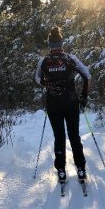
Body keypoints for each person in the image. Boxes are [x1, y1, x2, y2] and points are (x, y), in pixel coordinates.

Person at [35, 26, 91, 183]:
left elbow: (38, 79)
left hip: (53, 104)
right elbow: (87, 76)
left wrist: (48, 84)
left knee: (59, 136)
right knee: (74, 136)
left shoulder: (43, 61)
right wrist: (84, 98)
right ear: (61, 43)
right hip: (71, 102)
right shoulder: (70, 58)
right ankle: (81, 168)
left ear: (49, 45)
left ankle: (61, 170)